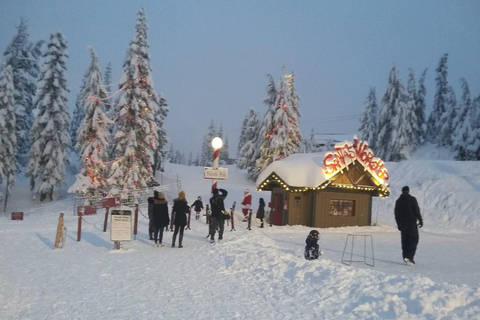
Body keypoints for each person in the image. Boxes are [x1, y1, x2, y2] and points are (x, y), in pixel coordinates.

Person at [394, 186, 423, 266]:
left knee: (405, 241)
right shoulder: (412, 199)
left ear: (402, 191)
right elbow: (416, 210)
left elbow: (396, 214)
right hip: (411, 223)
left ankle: (405, 256)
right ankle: (409, 257)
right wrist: (420, 220)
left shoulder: (398, 201)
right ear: (408, 191)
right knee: (414, 240)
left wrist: (399, 224)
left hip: (403, 224)